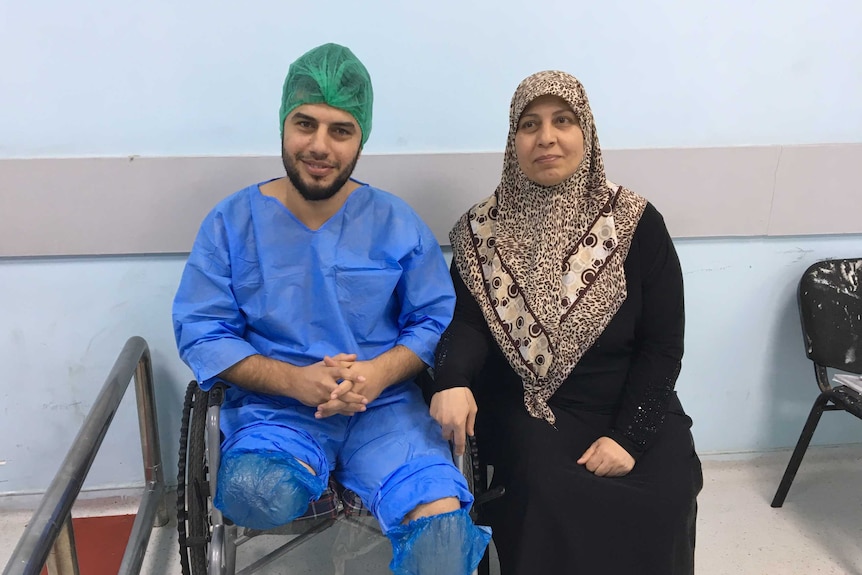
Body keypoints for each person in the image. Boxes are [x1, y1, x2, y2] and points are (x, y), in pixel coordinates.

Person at [172, 43, 489, 575]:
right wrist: (296, 382)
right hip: (276, 411)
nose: (319, 145)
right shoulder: (231, 224)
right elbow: (204, 330)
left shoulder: (395, 222)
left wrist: (375, 373)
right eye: (305, 124)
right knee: (257, 493)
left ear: (361, 137)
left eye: (340, 130)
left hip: (385, 411)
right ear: (283, 125)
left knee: (442, 539)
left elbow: (434, 319)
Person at [430, 70, 703, 574]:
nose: (547, 137)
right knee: (549, 494)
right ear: (513, 141)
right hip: (533, 404)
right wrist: (451, 380)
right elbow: (466, 325)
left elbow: (663, 345)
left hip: (632, 397)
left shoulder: (636, 223)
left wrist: (629, 438)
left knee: (665, 494)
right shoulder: (480, 232)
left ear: (587, 133)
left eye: (563, 121)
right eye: (529, 124)